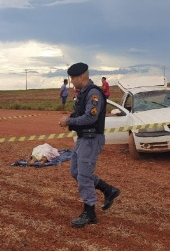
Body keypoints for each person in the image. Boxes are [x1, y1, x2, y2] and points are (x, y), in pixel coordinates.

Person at [58, 62, 120, 228]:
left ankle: (89, 213)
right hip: (83, 139)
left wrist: (69, 121)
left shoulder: (93, 94)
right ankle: (108, 190)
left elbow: (90, 118)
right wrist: (69, 119)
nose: (71, 81)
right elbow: (80, 113)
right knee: (76, 172)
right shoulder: (82, 93)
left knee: (84, 176)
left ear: (81, 77)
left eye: (73, 78)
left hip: (91, 139)